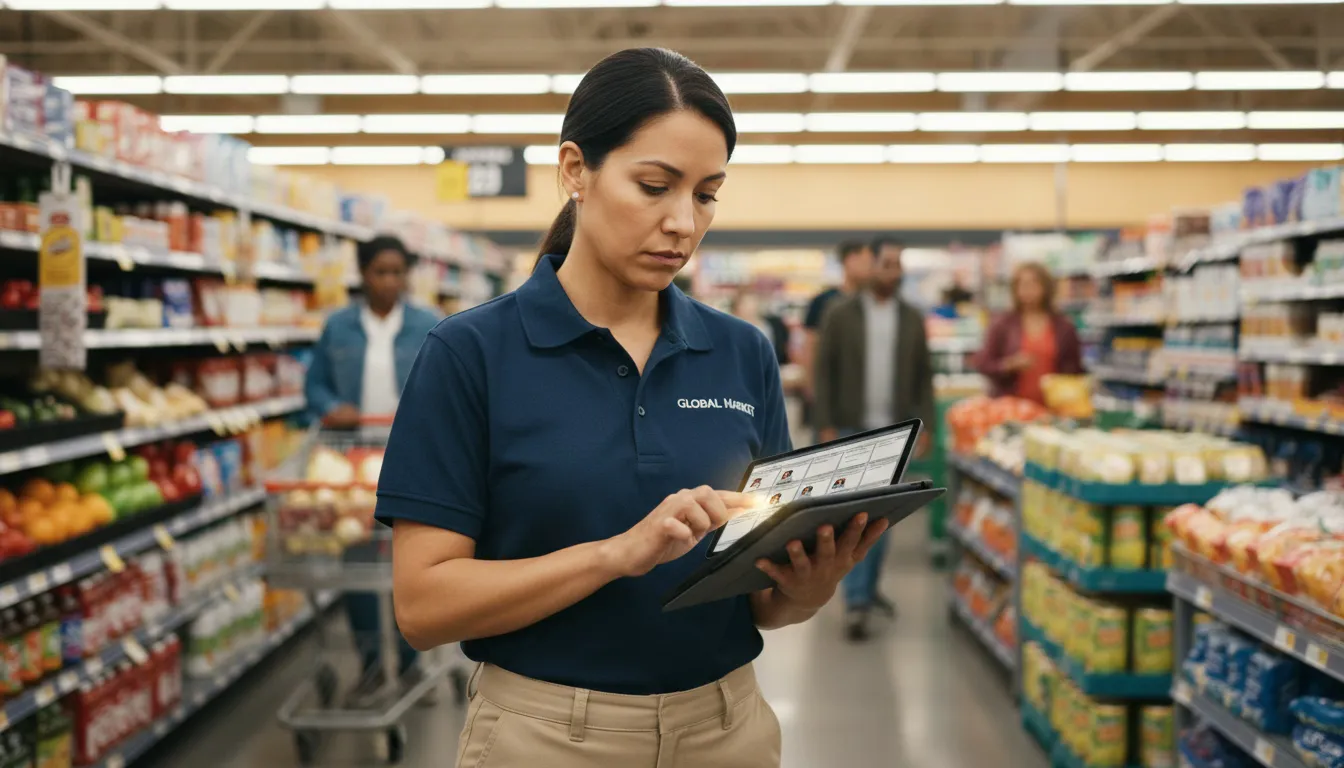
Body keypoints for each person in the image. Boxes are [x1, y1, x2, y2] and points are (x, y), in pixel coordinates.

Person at [376, 48, 892, 768]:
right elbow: (423, 606)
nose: (683, 222)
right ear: (574, 171)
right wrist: (615, 556)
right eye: (655, 185)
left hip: (727, 728)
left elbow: (766, 606)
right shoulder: (470, 354)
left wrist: (810, 584)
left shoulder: (742, 353)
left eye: (706, 194)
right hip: (544, 738)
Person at [303, 234, 440, 703]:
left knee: (409, 564)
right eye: (380, 271)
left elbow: (451, 388)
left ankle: (410, 664)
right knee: (359, 565)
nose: (390, 281)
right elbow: (314, 385)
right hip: (353, 465)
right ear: (363, 274)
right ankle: (370, 666)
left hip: (413, 459)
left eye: (398, 272)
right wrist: (329, 406)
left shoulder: (428, 324)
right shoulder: (338, 327)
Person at [812, 236, 935, 642]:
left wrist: (926, 425)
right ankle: (857, 601)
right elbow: (823, 371)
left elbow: (923, 377)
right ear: (870, 267)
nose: (893, 272)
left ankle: (868, 589)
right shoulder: (840, 313)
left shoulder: (912, 318)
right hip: (851, 428)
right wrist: (824, 423)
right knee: (854, 519)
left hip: (896, 433)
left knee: (882, 520)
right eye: (886, 264)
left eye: (899, 265)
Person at [975, 261, 1084, 404]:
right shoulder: (1002, 325)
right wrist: (1009, 365)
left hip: (1055, 407)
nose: (1028, 290)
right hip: (1011, 408)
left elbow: (1075, 369)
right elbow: (983, 363)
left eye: (1034, 284)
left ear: (1046, 287)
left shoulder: (1064, 327)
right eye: (1022, 284)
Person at [801, 241, 872, 434]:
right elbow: (809, 347)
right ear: (849, 260)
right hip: (832, 403)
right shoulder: (823, 302)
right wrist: (812, 390)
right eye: (866, 260)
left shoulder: (874, 304)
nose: (871, 266)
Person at [729, 287, 790, 366]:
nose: (751, 308)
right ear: (736, 309)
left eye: (753, 302)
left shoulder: (775, 325)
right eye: (745, 304)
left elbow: (783, 352)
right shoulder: (732, 331)